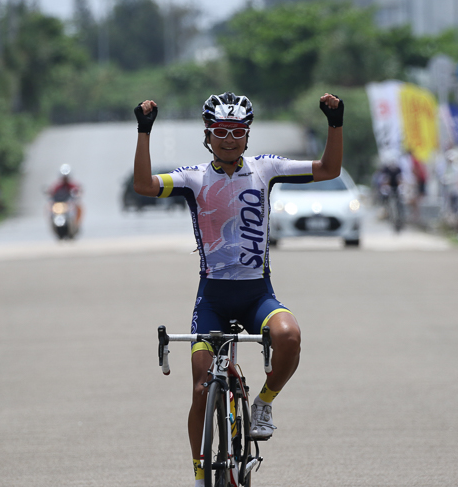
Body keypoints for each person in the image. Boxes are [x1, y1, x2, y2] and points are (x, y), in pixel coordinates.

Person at [133, 92, 343, 487]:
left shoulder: (267, 169)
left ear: (247, 135)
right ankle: (200, 477)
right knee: (199, 389)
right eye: (219, 131)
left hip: (256, 296)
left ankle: (263, 403)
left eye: (237, 131)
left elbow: (330, 169)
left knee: (289, 335)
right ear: (208, 135)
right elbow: (143, 184)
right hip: (211, 299)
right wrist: (144, 131)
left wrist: (335, 123)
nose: (228, 139)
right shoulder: (193, 177)